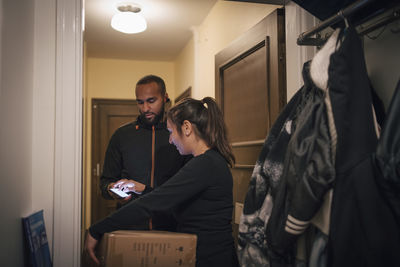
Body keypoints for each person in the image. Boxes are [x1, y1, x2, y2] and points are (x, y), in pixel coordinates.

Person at [85, 97, 239, 267]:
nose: (170, 140)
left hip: (213, 259)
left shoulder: (204, 164)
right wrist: (142, 188)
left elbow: (152, 204)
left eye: (171, 132)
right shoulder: (208, 161)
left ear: (186, 128)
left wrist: (96, 230)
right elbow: (170, 200)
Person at [99, 74, 188, 231]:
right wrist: (111, 189)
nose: (145, 108)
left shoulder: (179, 135)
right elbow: (105, 183)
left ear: (165, 97)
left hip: (172, 227)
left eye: (151, 101)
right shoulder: (121, 136)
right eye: (140, 102)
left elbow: (187, 188)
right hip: (129, 226)